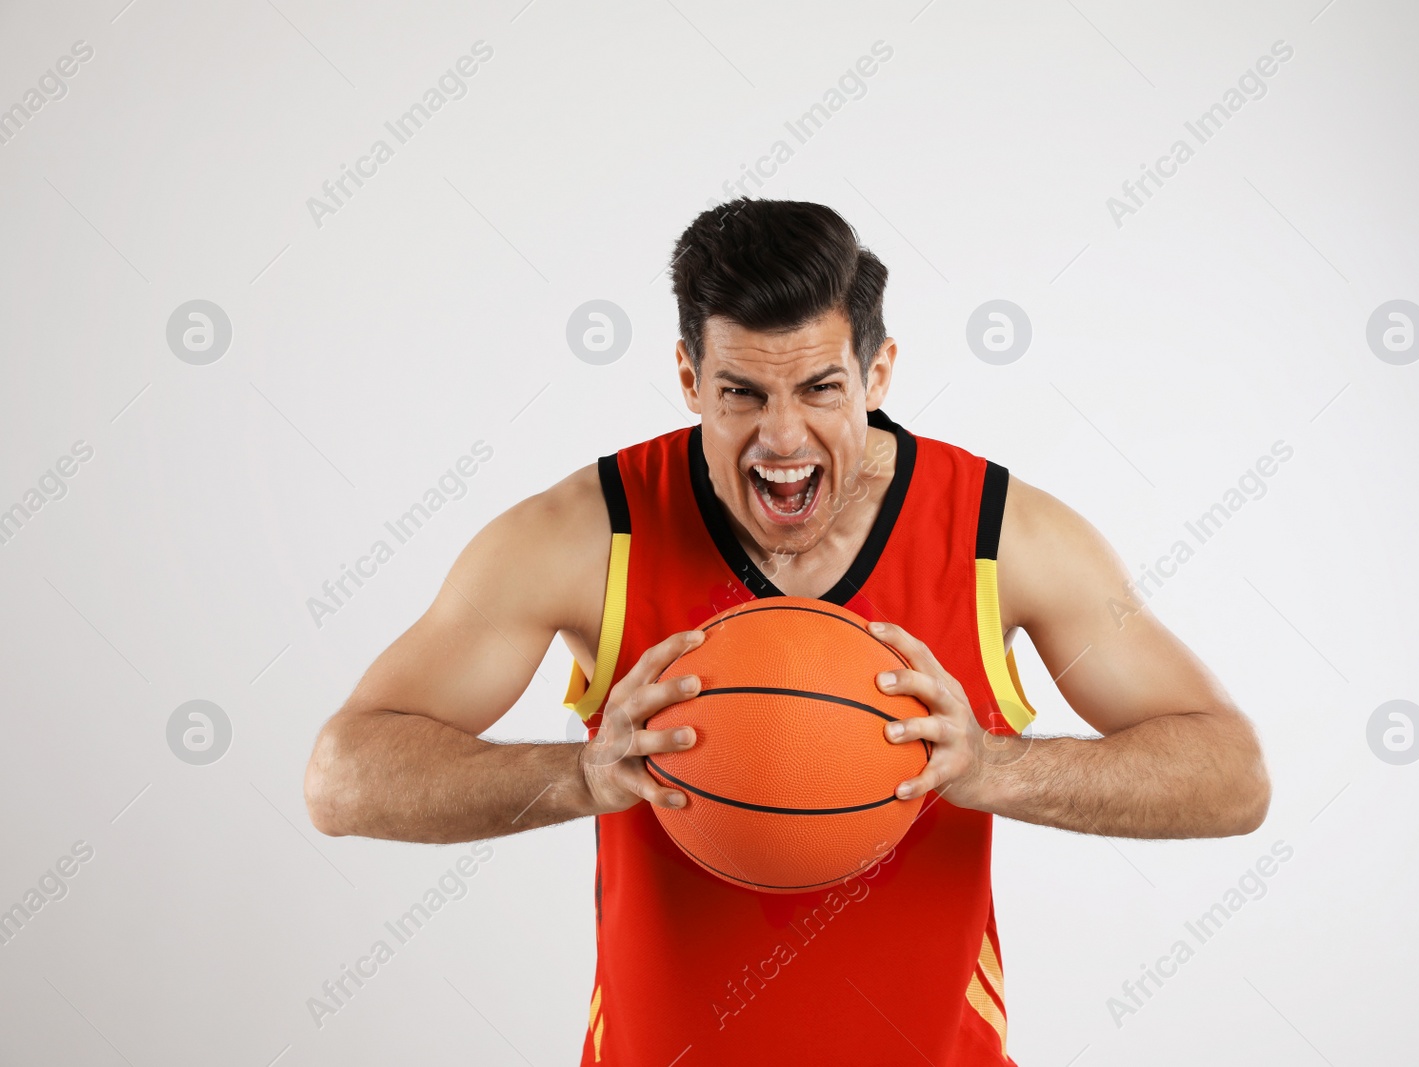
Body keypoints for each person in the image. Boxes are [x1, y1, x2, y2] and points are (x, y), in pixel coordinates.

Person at [303, 198, 1270, 1065]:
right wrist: (581, 775)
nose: (780, 438)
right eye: (742, 394)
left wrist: (993, 767)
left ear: (877, 371)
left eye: (818, 389)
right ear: (688, 376)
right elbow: (344, 775)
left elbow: (1230, 774)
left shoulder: (999, 536)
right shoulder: (588, 536)